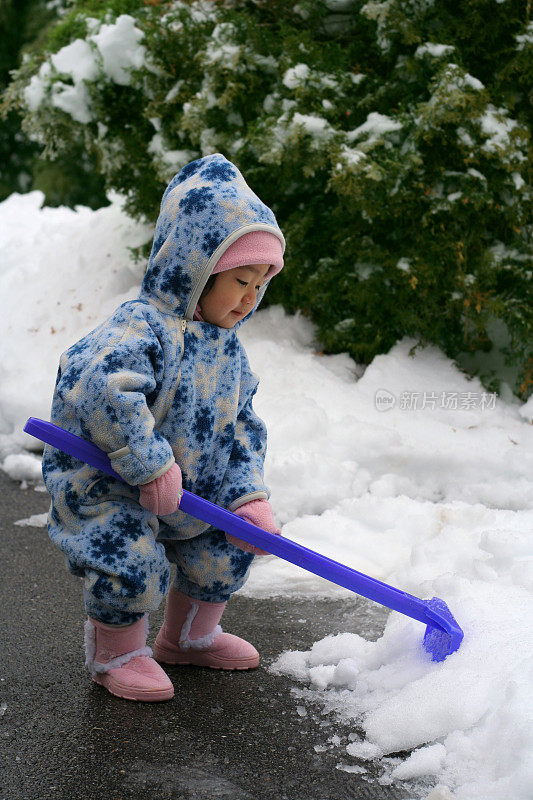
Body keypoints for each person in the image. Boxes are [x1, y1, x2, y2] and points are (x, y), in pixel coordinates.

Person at [41, 153, 285, 702]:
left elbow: (241, 424)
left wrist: (248, 497)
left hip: (189, 488)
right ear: (194, 267)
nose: (250, 297)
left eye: (260, 284)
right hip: (109, 479)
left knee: (224, 545)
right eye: (240, 281)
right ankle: (118, 653)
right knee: (130, 560)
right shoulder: (143, 325)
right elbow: (98, 383)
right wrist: (146, 460)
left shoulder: (229, 352)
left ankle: (191, 638)